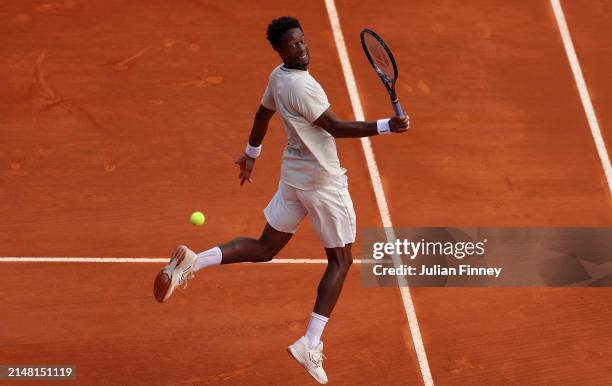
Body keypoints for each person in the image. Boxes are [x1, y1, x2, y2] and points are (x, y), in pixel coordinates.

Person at [153, 16, 409, 384]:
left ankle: (193, 263)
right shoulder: (304, 88)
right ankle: (310, 342)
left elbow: (263, 113)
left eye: (303, 42)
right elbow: (335, 127)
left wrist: (251, 152)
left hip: (293, 177)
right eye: (292, 45)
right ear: (279, 50)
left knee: (264, 247)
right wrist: (388, 125)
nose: (302, 49)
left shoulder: (278, 76)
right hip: (322, 181)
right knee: (341, 259)